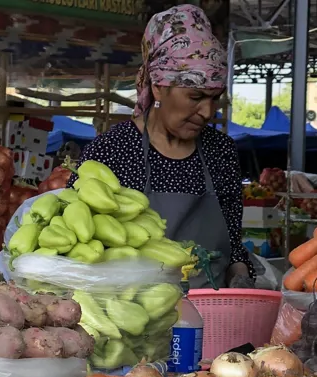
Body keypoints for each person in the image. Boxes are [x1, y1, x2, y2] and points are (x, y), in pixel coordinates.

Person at [72, 4, 248, 288]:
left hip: (210, 315)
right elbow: (77, 244)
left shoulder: (221, 152)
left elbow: (233, 245)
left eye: (215, 98)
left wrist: (241, 282)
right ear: (158, 86)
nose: (207, 111)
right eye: (195, 96)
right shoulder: (111, 151)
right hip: (130, 316)